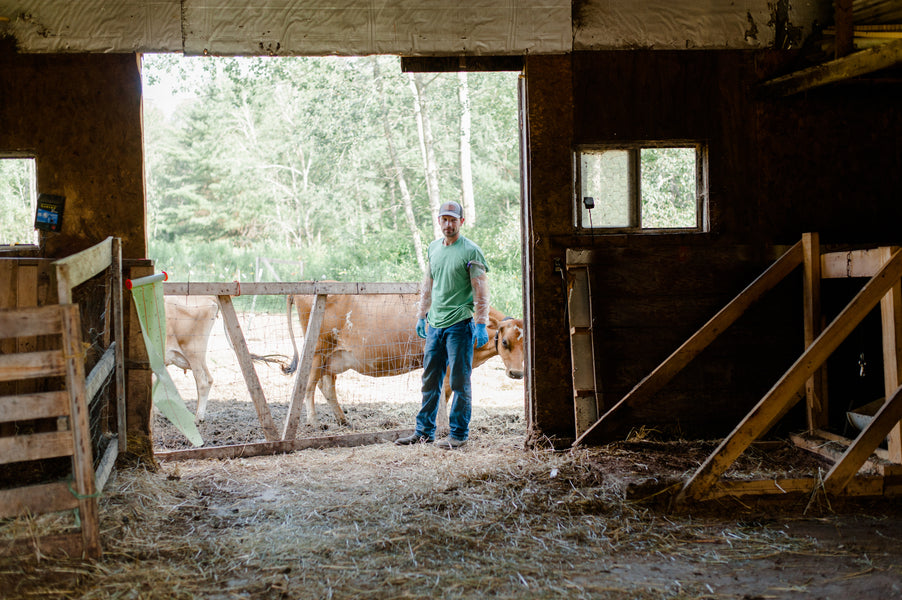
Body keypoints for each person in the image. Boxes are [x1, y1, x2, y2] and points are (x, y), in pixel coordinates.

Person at [395, 200, 490, 449]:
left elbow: (480, 290)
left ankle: (458, 434)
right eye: (444, 219)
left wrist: (481, 323)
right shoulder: (433, 248)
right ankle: (424, 432)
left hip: (460, 324)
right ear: (439, 221)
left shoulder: (471, 251)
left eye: (453, 220)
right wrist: (421, 314)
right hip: (435, 326)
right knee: (430, 380)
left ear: (462, 222)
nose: (448, 224)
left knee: (459, 382)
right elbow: (428, 284)